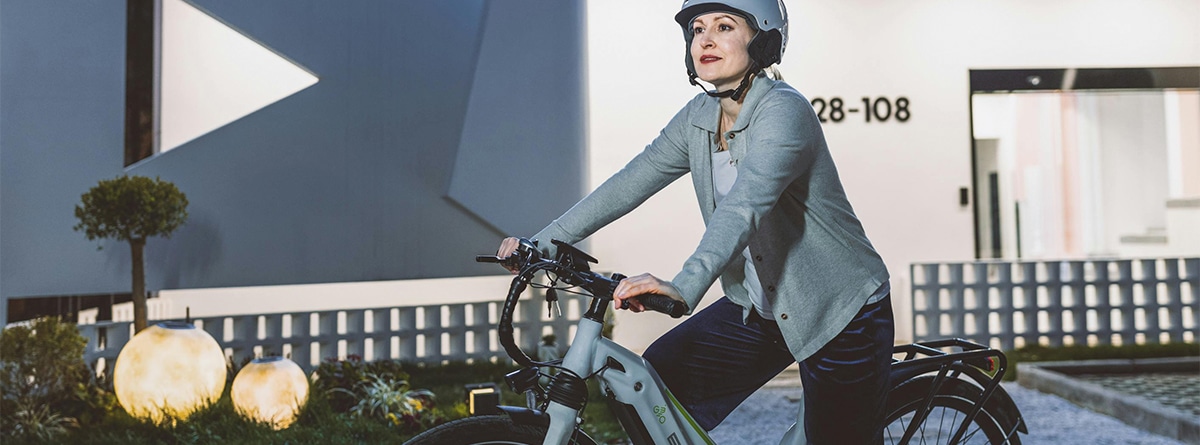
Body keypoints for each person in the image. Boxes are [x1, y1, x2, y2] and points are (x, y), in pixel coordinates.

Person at [497, 1, 894, 443]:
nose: (704, 39)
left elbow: (744, 207)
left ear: (763, 41)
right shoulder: (698, 118)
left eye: (724, 26)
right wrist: (546, 241)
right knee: (658, 382)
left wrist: (684, 286)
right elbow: (630, 182)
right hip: (760, 308)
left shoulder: (783, 112)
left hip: (837, 309)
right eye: (696, 29)